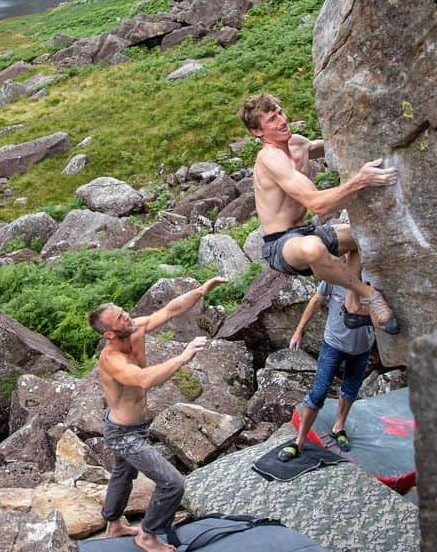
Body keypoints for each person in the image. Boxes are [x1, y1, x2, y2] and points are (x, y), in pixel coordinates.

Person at [238, 92, 401, 333]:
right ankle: (368, 294)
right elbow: (318, 205)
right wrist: (359, 180)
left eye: (280, 112)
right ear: (257, 131)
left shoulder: (298, 144)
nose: (282, 120)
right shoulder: (269, 159)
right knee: (313, 248)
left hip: (307, 231)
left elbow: (332, 146)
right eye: (272, 119)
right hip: (281, 244)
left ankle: (353, 306)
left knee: (360, 236)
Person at [90, 276, 229, 552]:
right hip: (122, 433)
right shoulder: (112, 360)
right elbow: (142, 380)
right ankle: (148, 535)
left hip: (135, 426)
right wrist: (183, 356)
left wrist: (201, 290)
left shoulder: (134, 328)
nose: (126, 316)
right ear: (108, 333)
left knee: (122, 475)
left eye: (123, 311)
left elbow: (169, 310)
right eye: (119, 317)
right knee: (173, 483)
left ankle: (113, 524)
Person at [277, 251, 375, 462]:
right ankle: (299, 441)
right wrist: (299, 331)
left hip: (362, 347)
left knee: (350, 389)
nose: (350, 260)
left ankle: (339, 426)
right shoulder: (334, 277)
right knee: (319, 392)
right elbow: (315, 301)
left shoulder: (372, 280)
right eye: (348, 256)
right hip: (334, 344)